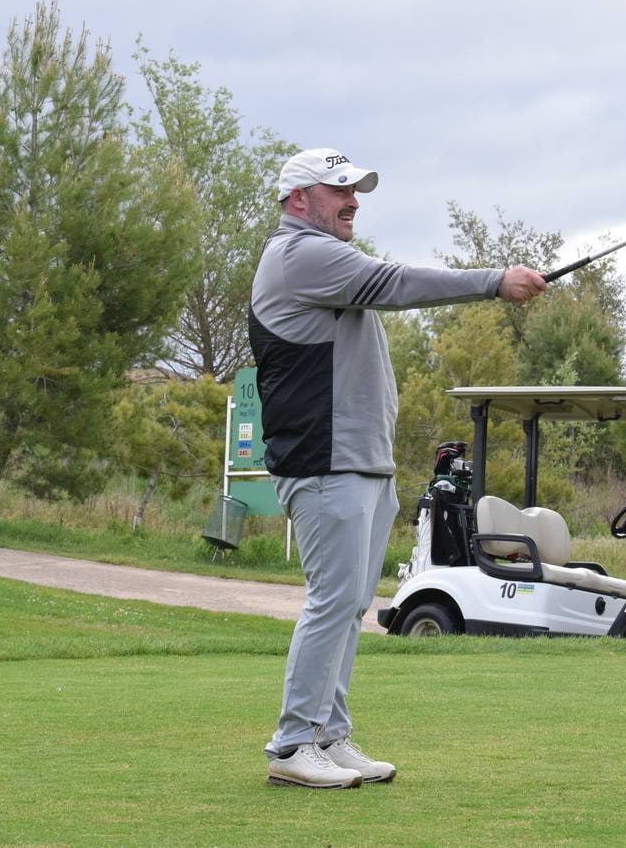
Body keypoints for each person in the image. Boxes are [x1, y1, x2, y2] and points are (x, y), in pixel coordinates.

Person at [250, 149, 547, 788]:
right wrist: (494, 280)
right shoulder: (301, 255)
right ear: (299, 199)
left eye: (356, 190)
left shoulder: (324, 259)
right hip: (323, 459)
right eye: (339, 191)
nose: (353, 200)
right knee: (332, 601)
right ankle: (292, 745)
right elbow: (397, 284)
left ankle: (329, 734)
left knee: (352, 601)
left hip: (357, 461)